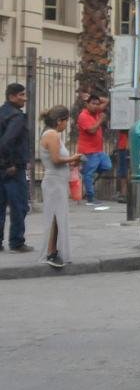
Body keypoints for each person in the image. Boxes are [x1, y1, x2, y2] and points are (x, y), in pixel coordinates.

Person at [38, 106, 82, 268]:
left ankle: (53, 250)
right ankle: (50, 251)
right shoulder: (52, 135)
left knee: (58, 217)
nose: (66, 125)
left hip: (57, 180)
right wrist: (72, 158)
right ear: (59, 121)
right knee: (54, 217)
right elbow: (56, 159)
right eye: (66, 121)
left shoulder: (52, 134)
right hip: (53, 181)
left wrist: (72, 161)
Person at [0, 83, 33, 252]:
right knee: (19, 206)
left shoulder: (2, 112)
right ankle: (17, 242)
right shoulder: (16, 117)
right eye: (21, 95)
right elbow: (7, 142)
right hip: (13, 169)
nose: (25, 98)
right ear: (12, 96)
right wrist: (10, 163)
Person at [76, 92, 111, 205]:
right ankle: (90, 198)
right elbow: (91, 130)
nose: (96, 106)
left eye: (97, 104)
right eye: (93, 103)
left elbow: (106, 100)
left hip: (98, 150)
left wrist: (91, 96)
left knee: (107, 165)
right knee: (89, 174)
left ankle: (85, 171)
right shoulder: (83, 116)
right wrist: (100, 120)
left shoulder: (96, 112)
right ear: (87, 104)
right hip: (88, 151)